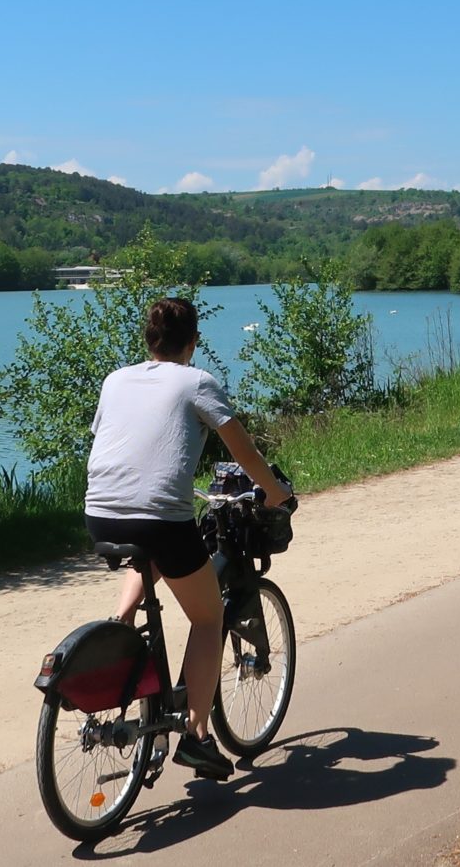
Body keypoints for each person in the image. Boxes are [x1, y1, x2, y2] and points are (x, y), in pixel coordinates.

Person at [84, 296, 295, 782]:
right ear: (193, 343)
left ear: (149, 340)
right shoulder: (197, 381)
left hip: (100, 515)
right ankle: (197, 736)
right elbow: (244, 450)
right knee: (207, 616)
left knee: (154, 553)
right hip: (159, 519)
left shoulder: (115, 380)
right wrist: (273, 492)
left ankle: (121, 623)